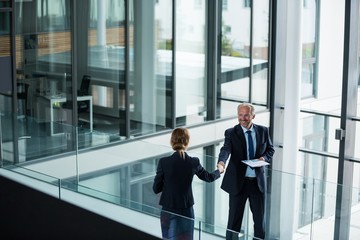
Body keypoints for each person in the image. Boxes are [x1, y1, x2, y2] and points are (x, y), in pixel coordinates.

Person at [153, 127, 225, 240]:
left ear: (172, 141)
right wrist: (219, 170)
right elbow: (209, 177)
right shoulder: (193, 162)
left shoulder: (164, 162)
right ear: (187, 142)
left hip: (168, 208)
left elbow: (156, 189)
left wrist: (168, 184)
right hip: (186, 209)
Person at [217, 103, 275, 240]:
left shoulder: (263, 131)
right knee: (233, 222)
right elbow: (226, 149)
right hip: (238, 183)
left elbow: (270, 149)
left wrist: (263, 157)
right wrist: (221, 162)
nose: (242, 118)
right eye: (240, 115)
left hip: (257, 183)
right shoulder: (231, 132)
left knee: (260, 222)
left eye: (246, 115)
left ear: (253, 116)